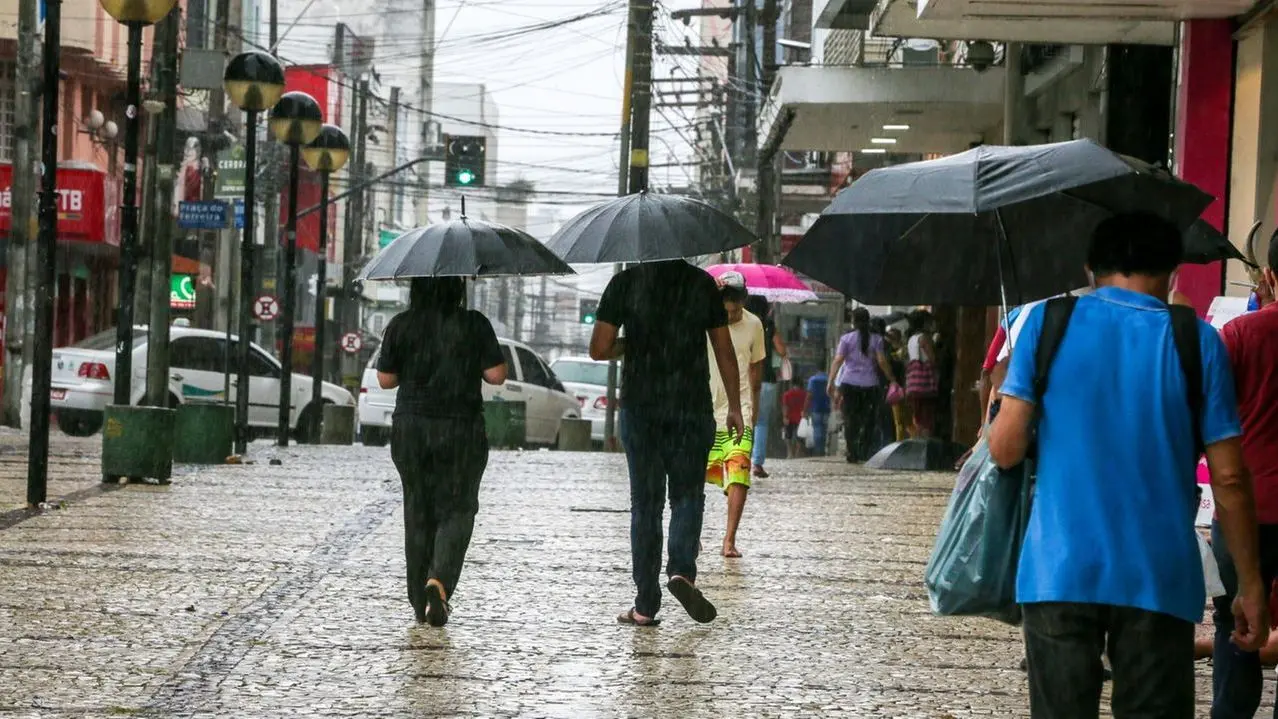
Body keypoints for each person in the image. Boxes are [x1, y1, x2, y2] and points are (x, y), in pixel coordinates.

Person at [987, 212, 1267, 719]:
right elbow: (1228, 478)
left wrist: (1006, 399)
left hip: (1059, 568)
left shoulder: (1047, 324)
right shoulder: (1197, 341)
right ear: (1174, 271)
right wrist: (1249, 584)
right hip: (1158, 574)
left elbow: (1004, 450)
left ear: (1090, 269)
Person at [590, 260, 745, 627]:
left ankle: (645, 605)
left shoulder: (625, 283)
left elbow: (599, 348)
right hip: (691, 408)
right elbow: (724, 350)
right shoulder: (702, 285)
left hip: (641, 409)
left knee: (645, 505)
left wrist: (632, 343)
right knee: (687, 495)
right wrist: (735, 407)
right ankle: (681, 572)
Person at [376, 277, 507, 627]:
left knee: (417, 509)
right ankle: (439, 581)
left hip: (412, 429)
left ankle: (419, 600)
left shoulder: (401, 324)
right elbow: (497, 376)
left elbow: (385, 379)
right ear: (458, 288)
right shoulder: (474, 324)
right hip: (461, 429)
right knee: (458, 507)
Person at [1212, 236, 1278, 718]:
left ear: (1269, 276)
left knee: (1234, 621)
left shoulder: (1237, 334)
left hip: (1245, 507)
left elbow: (1209, 420)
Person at [705, 272, 766, 558]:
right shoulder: (704, 320)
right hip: (704, 408)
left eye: (736, 311)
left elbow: (756, 372)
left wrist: (753, 410)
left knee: (739, 472)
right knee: (693, 477)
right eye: (726, 311)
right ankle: (691, 534)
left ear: (744, 302)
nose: (731, 316)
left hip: (739, 410)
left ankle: (729, 540)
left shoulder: (754, 325)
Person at [828, 308, 899, 463]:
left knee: (850, 419)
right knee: (868, 420)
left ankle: (852, 451)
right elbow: (881, 361)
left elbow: (838, 360)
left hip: (849, 384)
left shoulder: (846, 339)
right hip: (870, 385)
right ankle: (864, 451)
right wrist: (892, 378)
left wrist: (831, 381)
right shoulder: (876, 339)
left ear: (853, 321)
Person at [746, 295, 789, 479]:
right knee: (761, 422)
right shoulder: (769, 326)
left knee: (742, 419)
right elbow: (782, 351)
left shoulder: (742, 324)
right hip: (766, 378)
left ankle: (738, 460)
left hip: (744, 379)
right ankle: (757, 463)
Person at [904, 310, 939, 438]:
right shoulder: (924, 338)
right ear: (924, 323)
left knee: (917, 418)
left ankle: (917, 440)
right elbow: (932, 359)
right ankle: (925, 442)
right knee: (927, 419)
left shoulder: (911, 339)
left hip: (913, 384)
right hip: (925, 385)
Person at [805, 366, 831, 456]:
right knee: (824, 430)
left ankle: (818, 451)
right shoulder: (829, 379)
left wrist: (805, 409)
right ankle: (822, 450)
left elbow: (809, 395)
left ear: (817, 370)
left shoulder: (813, 380)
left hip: (815, 408)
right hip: (827, 408)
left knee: (817, 430)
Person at [782, 378, 807, 458]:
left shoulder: (787, 394)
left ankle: (789, 453)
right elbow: (806, 406)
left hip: (789, 418)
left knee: (788, 436)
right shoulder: (804, 394)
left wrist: (785, 417)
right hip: (800, 418)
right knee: (800, 436)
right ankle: (797, 453)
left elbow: (785, 406)